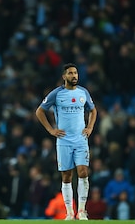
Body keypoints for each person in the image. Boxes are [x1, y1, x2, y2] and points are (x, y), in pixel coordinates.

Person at [36, 63, 97, 220]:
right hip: (64, 140)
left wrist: (89, 127)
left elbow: (93, 110)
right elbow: (39, 111)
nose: (74, 76)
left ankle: (82, 211)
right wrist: (51, 130)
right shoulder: (56, 94)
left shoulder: (83, 92)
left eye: (75, 73)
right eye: (70, 73)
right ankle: (70, 212)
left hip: (81, 139)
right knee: (66, 176)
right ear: (64, 77)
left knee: (83, 172)